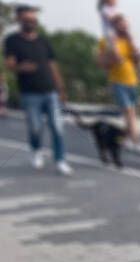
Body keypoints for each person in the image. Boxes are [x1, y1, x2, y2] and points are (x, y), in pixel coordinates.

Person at [3, 5, 72, 175]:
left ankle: (60, 160)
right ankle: (37, 150)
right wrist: (20, 67)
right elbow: (9, 64)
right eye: (27, 20)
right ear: (19, 20)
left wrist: (61, 88)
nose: (31, 22)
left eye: (33, 19)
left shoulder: (43, 41)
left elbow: (52, 65)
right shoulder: (12, 40)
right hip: (29, 92)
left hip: (50, 91)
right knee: (35, 127)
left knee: (57, 126)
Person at [97, 13, 140, 153]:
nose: (125, 27)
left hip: (132, 80)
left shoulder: (129, 41)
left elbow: (137, 60)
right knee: (129, 112)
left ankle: (125, 138)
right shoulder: (107, 41)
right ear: (115, 26)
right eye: (122, 24)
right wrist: (112, 54)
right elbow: (100, 61)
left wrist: (132, 43)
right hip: (117, 81)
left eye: (126, 24)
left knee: (130, 114)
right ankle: (137, 141)